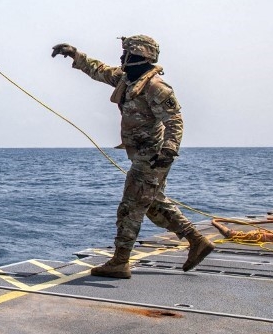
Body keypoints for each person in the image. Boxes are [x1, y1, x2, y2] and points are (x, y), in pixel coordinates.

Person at [51, 35, 214, 279]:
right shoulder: (127, 80)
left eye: (125, 53)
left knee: (130, 208)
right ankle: (196, 240)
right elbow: (99, 70)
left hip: (152, 158)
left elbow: (174, 121)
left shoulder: (156, 87)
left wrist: (168, 150)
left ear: (137, 55)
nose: (120, 57)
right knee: (154, 204)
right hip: (140, 156)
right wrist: (75, 53)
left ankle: (120, 261)